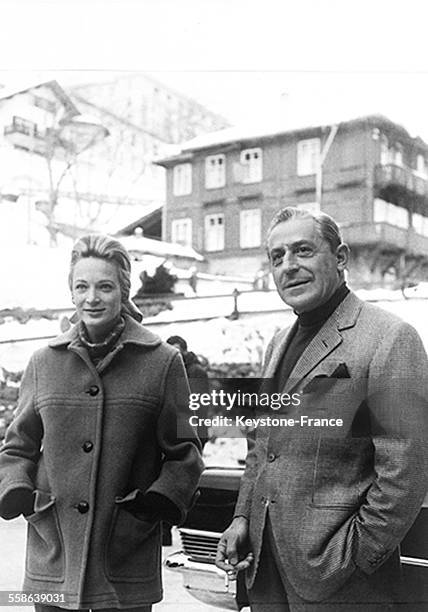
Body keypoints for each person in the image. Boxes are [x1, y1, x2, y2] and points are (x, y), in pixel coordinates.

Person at [216, 207, 428, 611]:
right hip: (266, 574)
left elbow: (406, 472)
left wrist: (354, 556)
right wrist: (243, 518)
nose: (288, 266)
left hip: (345, 587)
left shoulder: (389, 338)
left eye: (302, 251)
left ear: (341, 258)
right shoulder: (277, 344)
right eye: (277, 257)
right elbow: (263, 448)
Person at [0, 234, 203, 612]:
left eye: (105, 286)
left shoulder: (162, 361)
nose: (92, 297)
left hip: (125, 555)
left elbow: (185, 452)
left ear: (124, 291)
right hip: (54, 553)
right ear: (72, 293)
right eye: (82, 286)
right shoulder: (43, 362)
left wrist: (155, 503)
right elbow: (17, 446)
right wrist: (19, 492)